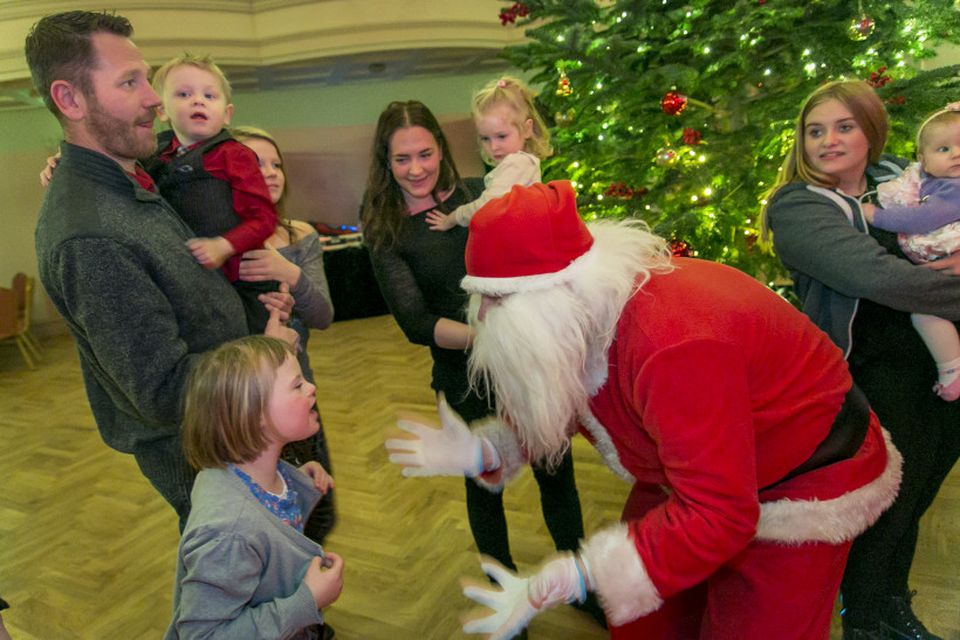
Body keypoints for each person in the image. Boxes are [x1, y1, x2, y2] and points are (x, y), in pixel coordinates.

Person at [385, 180, 902, 640]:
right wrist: (485, 449)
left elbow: (720, 513)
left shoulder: (672, 342)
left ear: (551, 294)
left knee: (756, 623)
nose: (486, 320)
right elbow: (563, 392)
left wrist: (579, 575)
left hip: (805, 478)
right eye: (484, 301)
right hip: (692, 471)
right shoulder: (583, 310)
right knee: (645, 621)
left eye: (500, 304)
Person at [24, 10, 296, 530]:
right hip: (207, 455)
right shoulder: (90, 233)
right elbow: (163, 390)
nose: (154, 97)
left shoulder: (132, 177)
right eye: (130, 82)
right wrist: (270, 356)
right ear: (70, 99)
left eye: (147, 78)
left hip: (238, 424)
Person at [361, 101, 601, 629]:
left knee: (555, 473)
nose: (417, 168)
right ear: (386, 162)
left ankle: (581, 582)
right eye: (403, 159)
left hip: (523, 367)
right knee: (484, 485)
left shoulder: (480, 193)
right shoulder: (383, 231)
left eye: (426, 153)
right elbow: (417, 324)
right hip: (464, 375)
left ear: (442, 151)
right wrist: (491, 338)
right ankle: (503, 589)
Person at [763, 80, 960, 640]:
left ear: (871, 129)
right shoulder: (798, 204)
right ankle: (868, 618)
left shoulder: (902, 179)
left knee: (920, 489)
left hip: (938, 361)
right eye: (815, 129)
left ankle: (890, 601)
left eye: (844, 126)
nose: (828, 140)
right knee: (889, 501)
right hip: (873, 369)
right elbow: (876, 278)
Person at [167, 335, 342, 639]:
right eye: (297, 385)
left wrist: (298, 480)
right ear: (255, 416)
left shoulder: (252, 472)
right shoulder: (227, 534)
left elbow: (268, 519)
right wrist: (308, 602)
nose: (312, 388)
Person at [232, 125, 338, 545]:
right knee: (268, 520)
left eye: (277, 163)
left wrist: (288, 272)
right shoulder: (223, 244)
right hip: (246, 404)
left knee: (319, 506)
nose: (272, 172)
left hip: (298, 390)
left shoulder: (300, 235)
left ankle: (309, 600)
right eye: (257, 163)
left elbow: (324, 314)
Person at [146, 53, 280, 333]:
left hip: (243, 280)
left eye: (209, 95)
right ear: (161, 111)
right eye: (183, 94)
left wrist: (223, 246)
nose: (198, 101)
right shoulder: (154, 153)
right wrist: (63, 159)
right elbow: (116, 166)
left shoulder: (235, 155)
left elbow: (264, 219)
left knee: (256, 354)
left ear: (227, 113)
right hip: (193, 280)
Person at [860, 102, 960, 401]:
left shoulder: (953, 189)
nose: (956, 153)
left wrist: (876, 216)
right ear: (922, 160)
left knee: (924, 312)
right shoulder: (926, 181)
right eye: (943, 149)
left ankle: (952, 368)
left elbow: (923, 218)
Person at [425, 76, 551, 232]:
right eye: (485, 138)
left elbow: (488, 206)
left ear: (527, 129)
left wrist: (453, 218)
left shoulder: (517, 164)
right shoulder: (521, 163)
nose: (493, 146)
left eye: (501, 136)